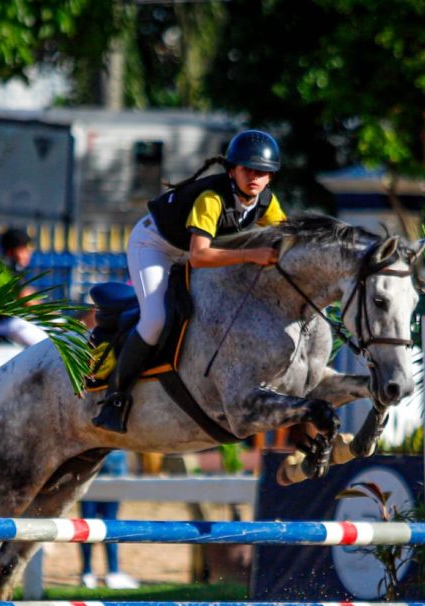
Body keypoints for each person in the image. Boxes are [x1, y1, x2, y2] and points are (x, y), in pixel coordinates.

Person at [92, 129, 288, 432]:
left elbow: (288, 238)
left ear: (270, 177)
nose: (254, 177)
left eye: (262, 172)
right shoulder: (212, 198)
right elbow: (199, 256)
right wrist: (251, 254)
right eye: (247, 169)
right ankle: (115, 398)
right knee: (155, 318)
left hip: (187, 250)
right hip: (154, 245)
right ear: (232, 169)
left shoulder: (266, 202)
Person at [77, 449, 139, 589]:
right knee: (89, 526)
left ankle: (108, 572)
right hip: (98, 475)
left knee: (105, 524)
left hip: (105, 474)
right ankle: (93, 572)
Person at [0, 228, 48, 348]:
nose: (29, 253)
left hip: (16, 323)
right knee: (48, 345)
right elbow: (27, 299)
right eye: (24, 249)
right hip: (9, 324)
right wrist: (51, 313)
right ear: (12, 251)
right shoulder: (5, 268)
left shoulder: (11, 267)